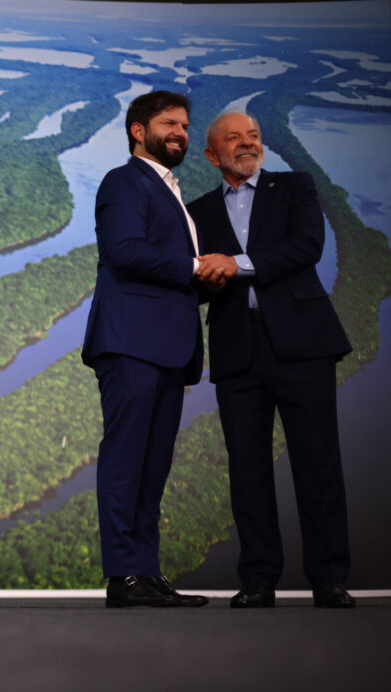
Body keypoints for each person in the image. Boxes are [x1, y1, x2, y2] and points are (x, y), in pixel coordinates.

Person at [189, 111, 354, 608]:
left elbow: (306, 247)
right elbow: (195, 282)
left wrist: (233, 264)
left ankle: (329, 578)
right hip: (238, 350)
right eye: (234, 138)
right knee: (248, 469)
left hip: (303, 345)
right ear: (212, 154)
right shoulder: (197, 212)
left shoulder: (295, 187)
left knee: (318, 464)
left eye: (254, 136)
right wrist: (201, 275)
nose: (247, 144)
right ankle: (259, 579)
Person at [81, 91, 208, 608]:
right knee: (126, 459)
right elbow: (127, 253)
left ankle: (146, 572)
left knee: (153, 465)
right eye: (168, 123)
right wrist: (199, 268)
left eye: (183, 124)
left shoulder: (170, 189)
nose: (179, 131)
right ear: (139, 131)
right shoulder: (124, 181)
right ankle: (122, 576)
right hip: (131, 341)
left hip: (167, 347)